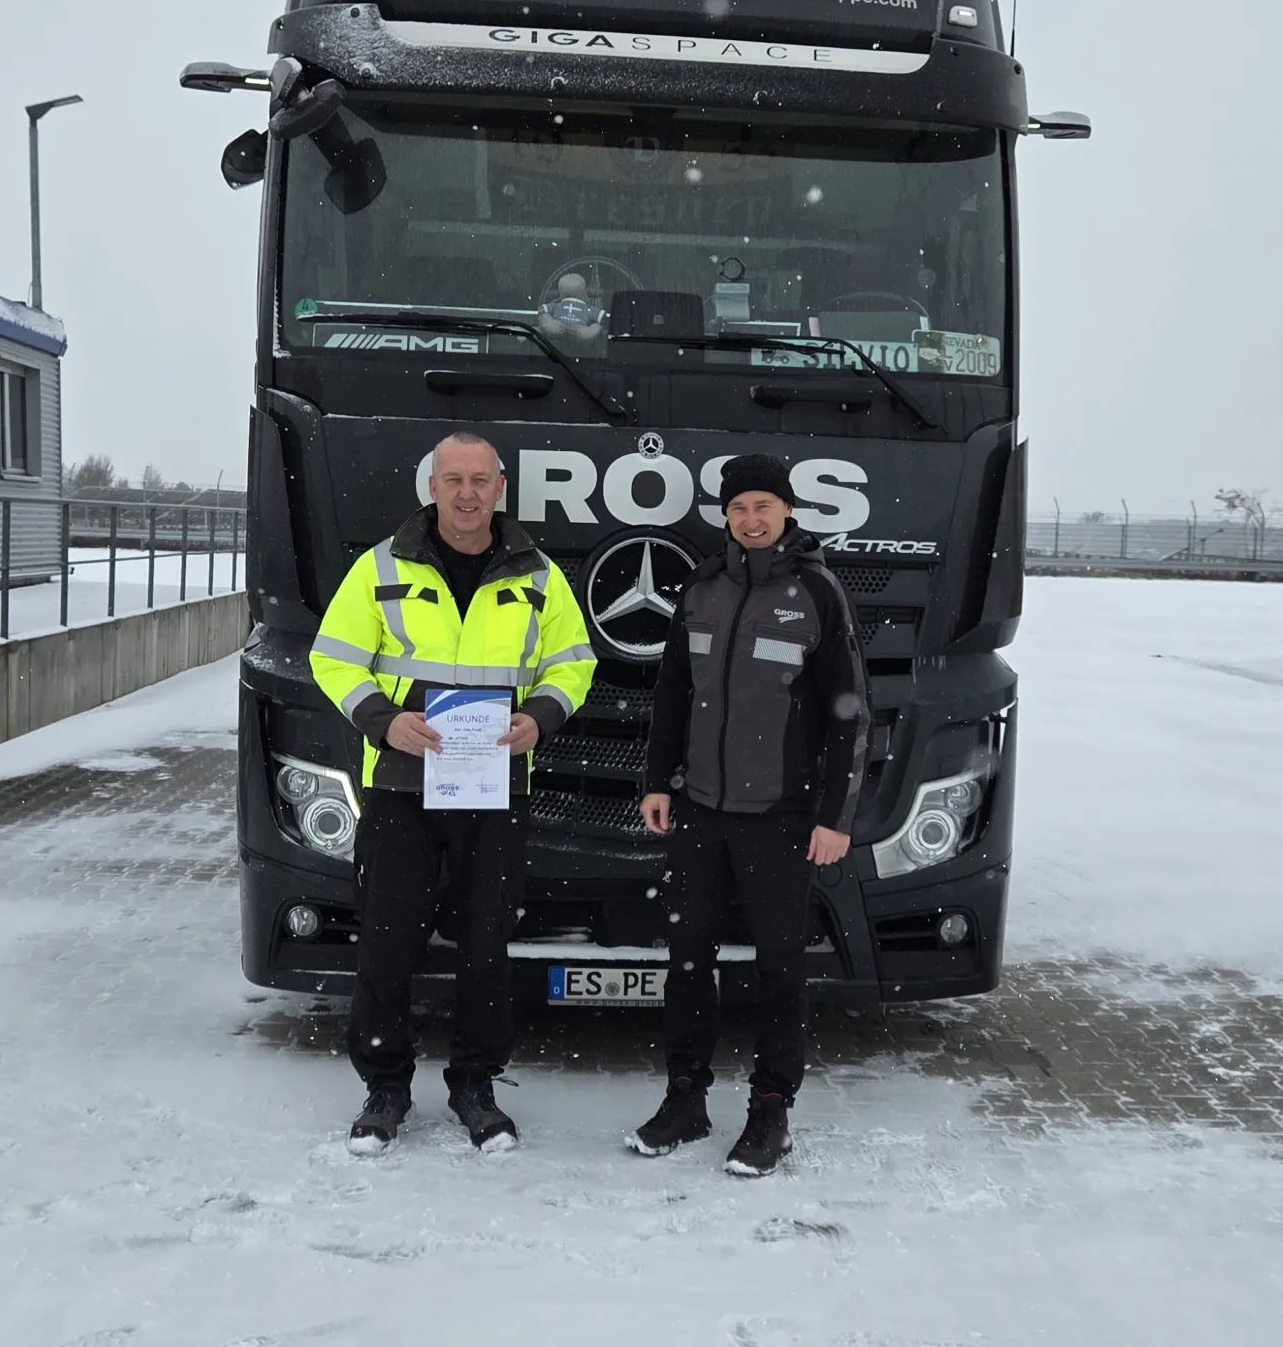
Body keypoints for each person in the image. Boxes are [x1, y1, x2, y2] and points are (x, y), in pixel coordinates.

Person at [310, 433, 595, 1154]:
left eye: (480, 480)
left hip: (496, 787)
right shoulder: (381, 568)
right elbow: (333, 659)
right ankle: (385, 1088)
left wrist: (544, 717)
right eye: (452, 480)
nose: (467, 494)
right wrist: (382, 720)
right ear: (430, 488)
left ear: (501, 488)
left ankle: (474, 1085)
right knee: (385, 942)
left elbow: (574, 662)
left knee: (487, 945)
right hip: (402, 787)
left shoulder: (538, 576)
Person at [632, 454, 870, 1175]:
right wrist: (658, 780)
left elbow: (850, 715)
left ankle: (772, 1109)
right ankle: (686, 1099)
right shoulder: (703, 589)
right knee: (687, 958)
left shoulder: (817, 592)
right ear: (726, 516)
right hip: (700, 809)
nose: (752, 518)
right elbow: (674, 690)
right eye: (739, 508)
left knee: (779, 968)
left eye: (764, 505)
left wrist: (835, 815)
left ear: (788, 512)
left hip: (781, 815)